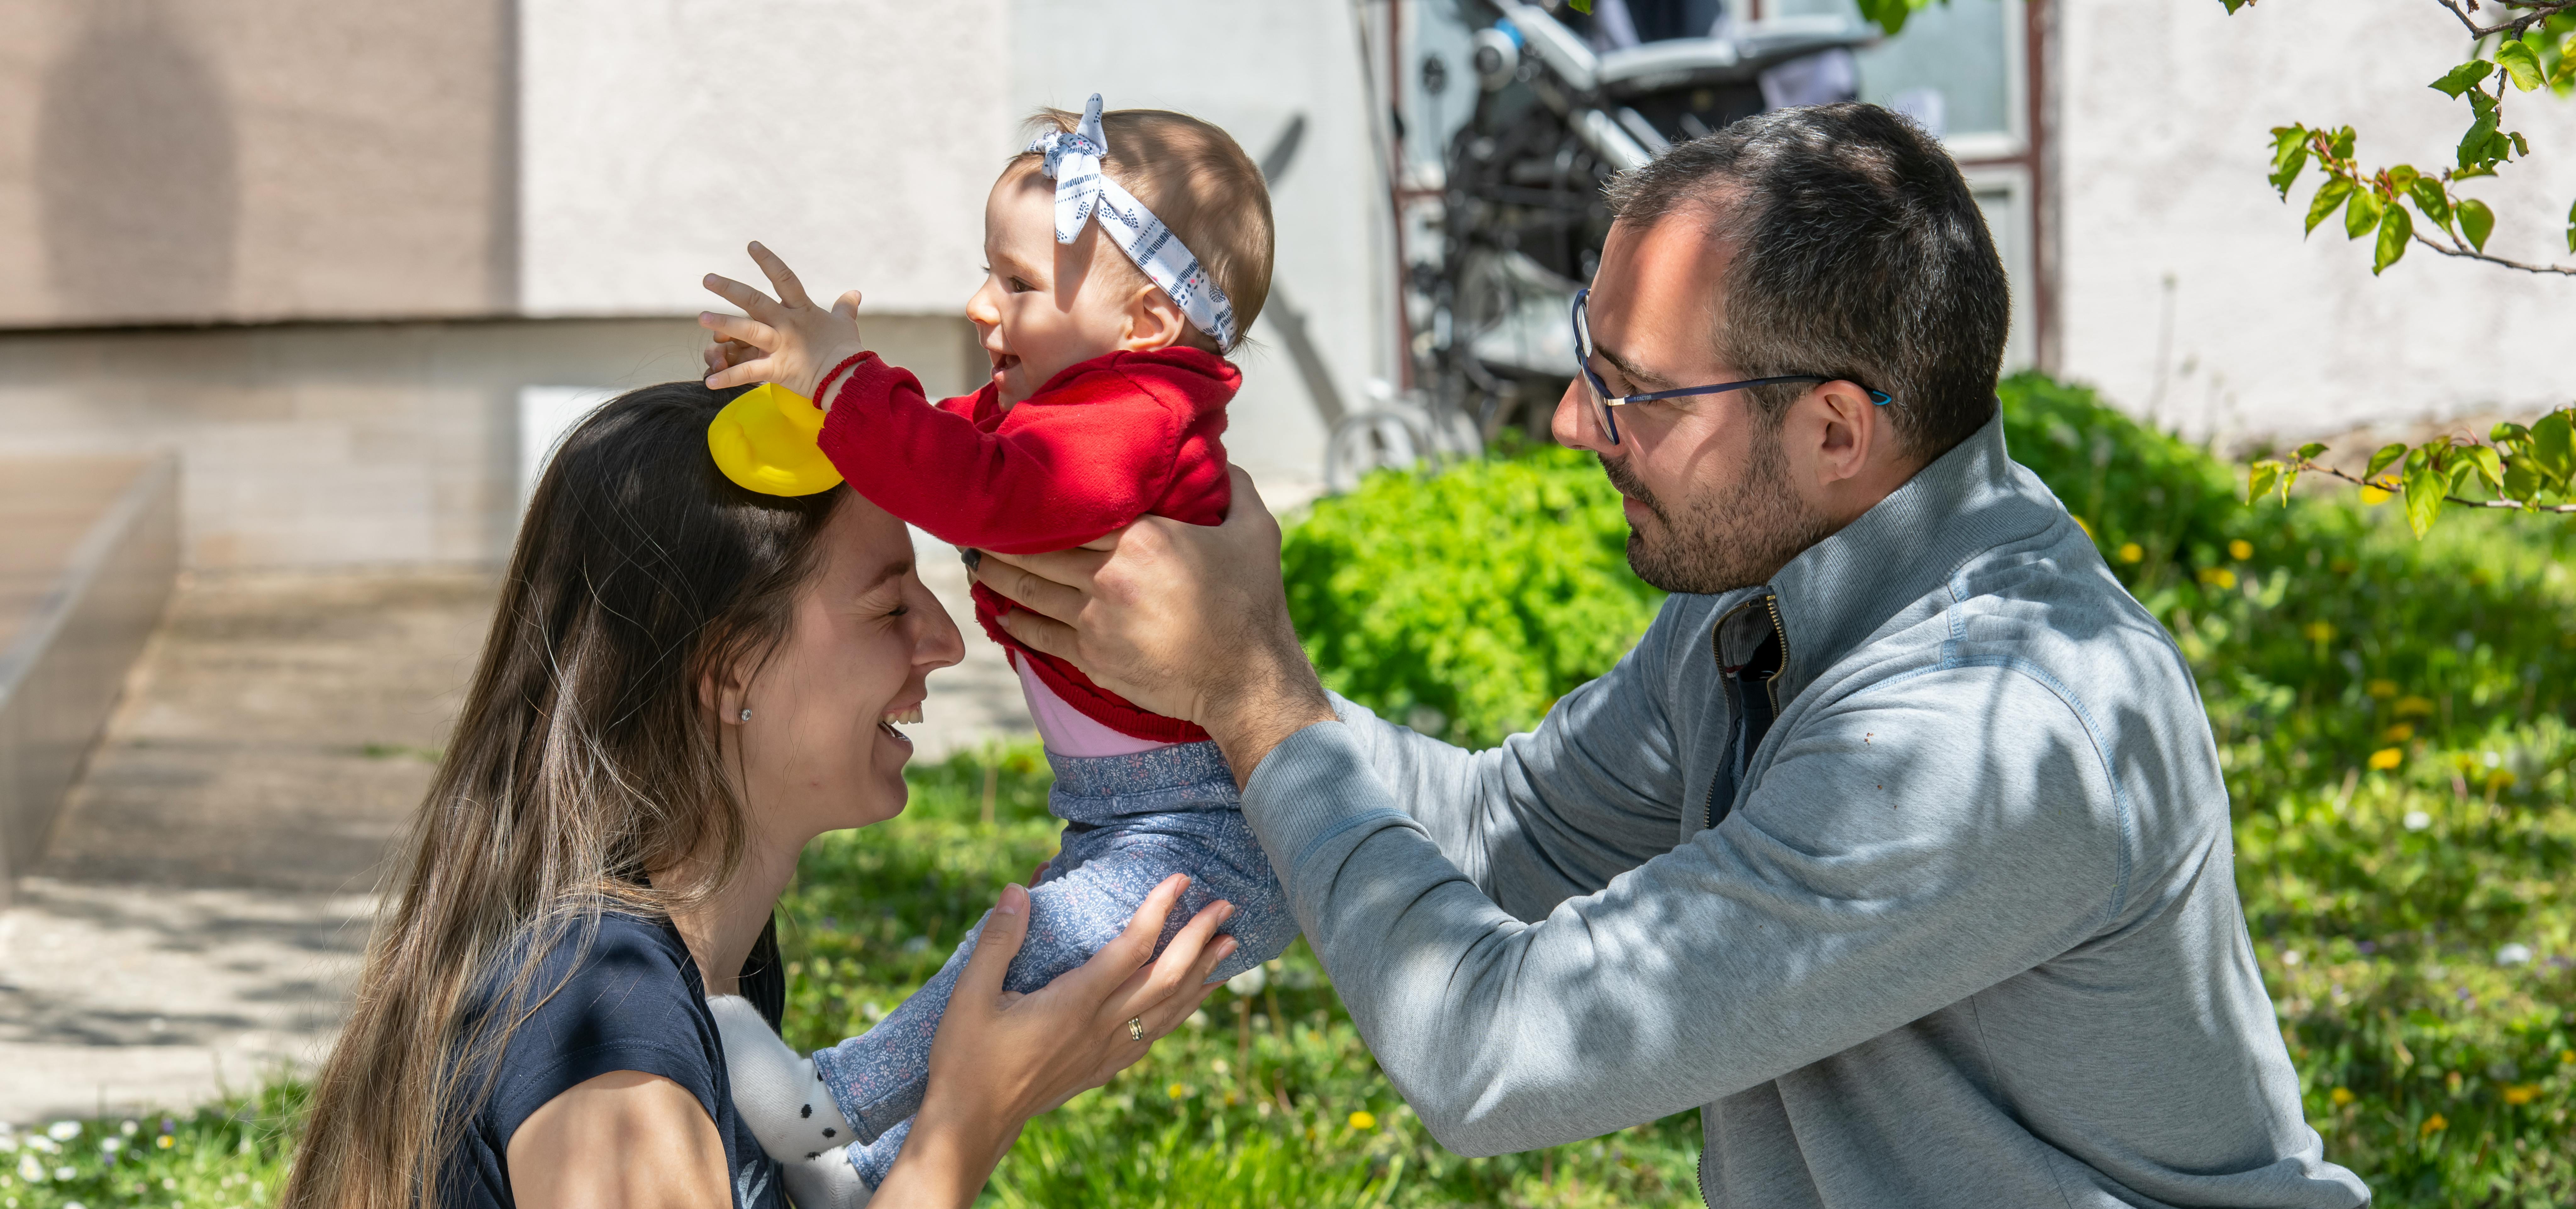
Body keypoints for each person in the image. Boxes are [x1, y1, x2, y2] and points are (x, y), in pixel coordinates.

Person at [961, 104, 2373, 1207]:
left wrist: (1250, 691)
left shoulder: (1982, 735)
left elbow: (1493, 1052)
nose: (1577, 425)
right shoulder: (1760, 597)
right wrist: (1207, 690)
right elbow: (1503, 832)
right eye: (1593, 357)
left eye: (1634, 389)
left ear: (1833, 429)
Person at [281, 382, 1237, 1209]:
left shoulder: (696, 970)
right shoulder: (604, 1019)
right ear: (732, 668)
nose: (947, 641)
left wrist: (1004, 1074)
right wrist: (965, 1119)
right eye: (889, 604)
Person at [692, 95, 1294, 1198]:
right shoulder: (1087, 406)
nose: (981, 306)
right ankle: (854, 1176)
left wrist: (842, 384)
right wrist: (812, 397)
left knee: (1000, 973)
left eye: (1015, 284)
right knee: (1008, 974)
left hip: (1200, 832)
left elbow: (980, 490)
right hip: (1139, 815)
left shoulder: (1136, 418)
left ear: (1150, 322)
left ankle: (823, 1102)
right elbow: (945, 441)